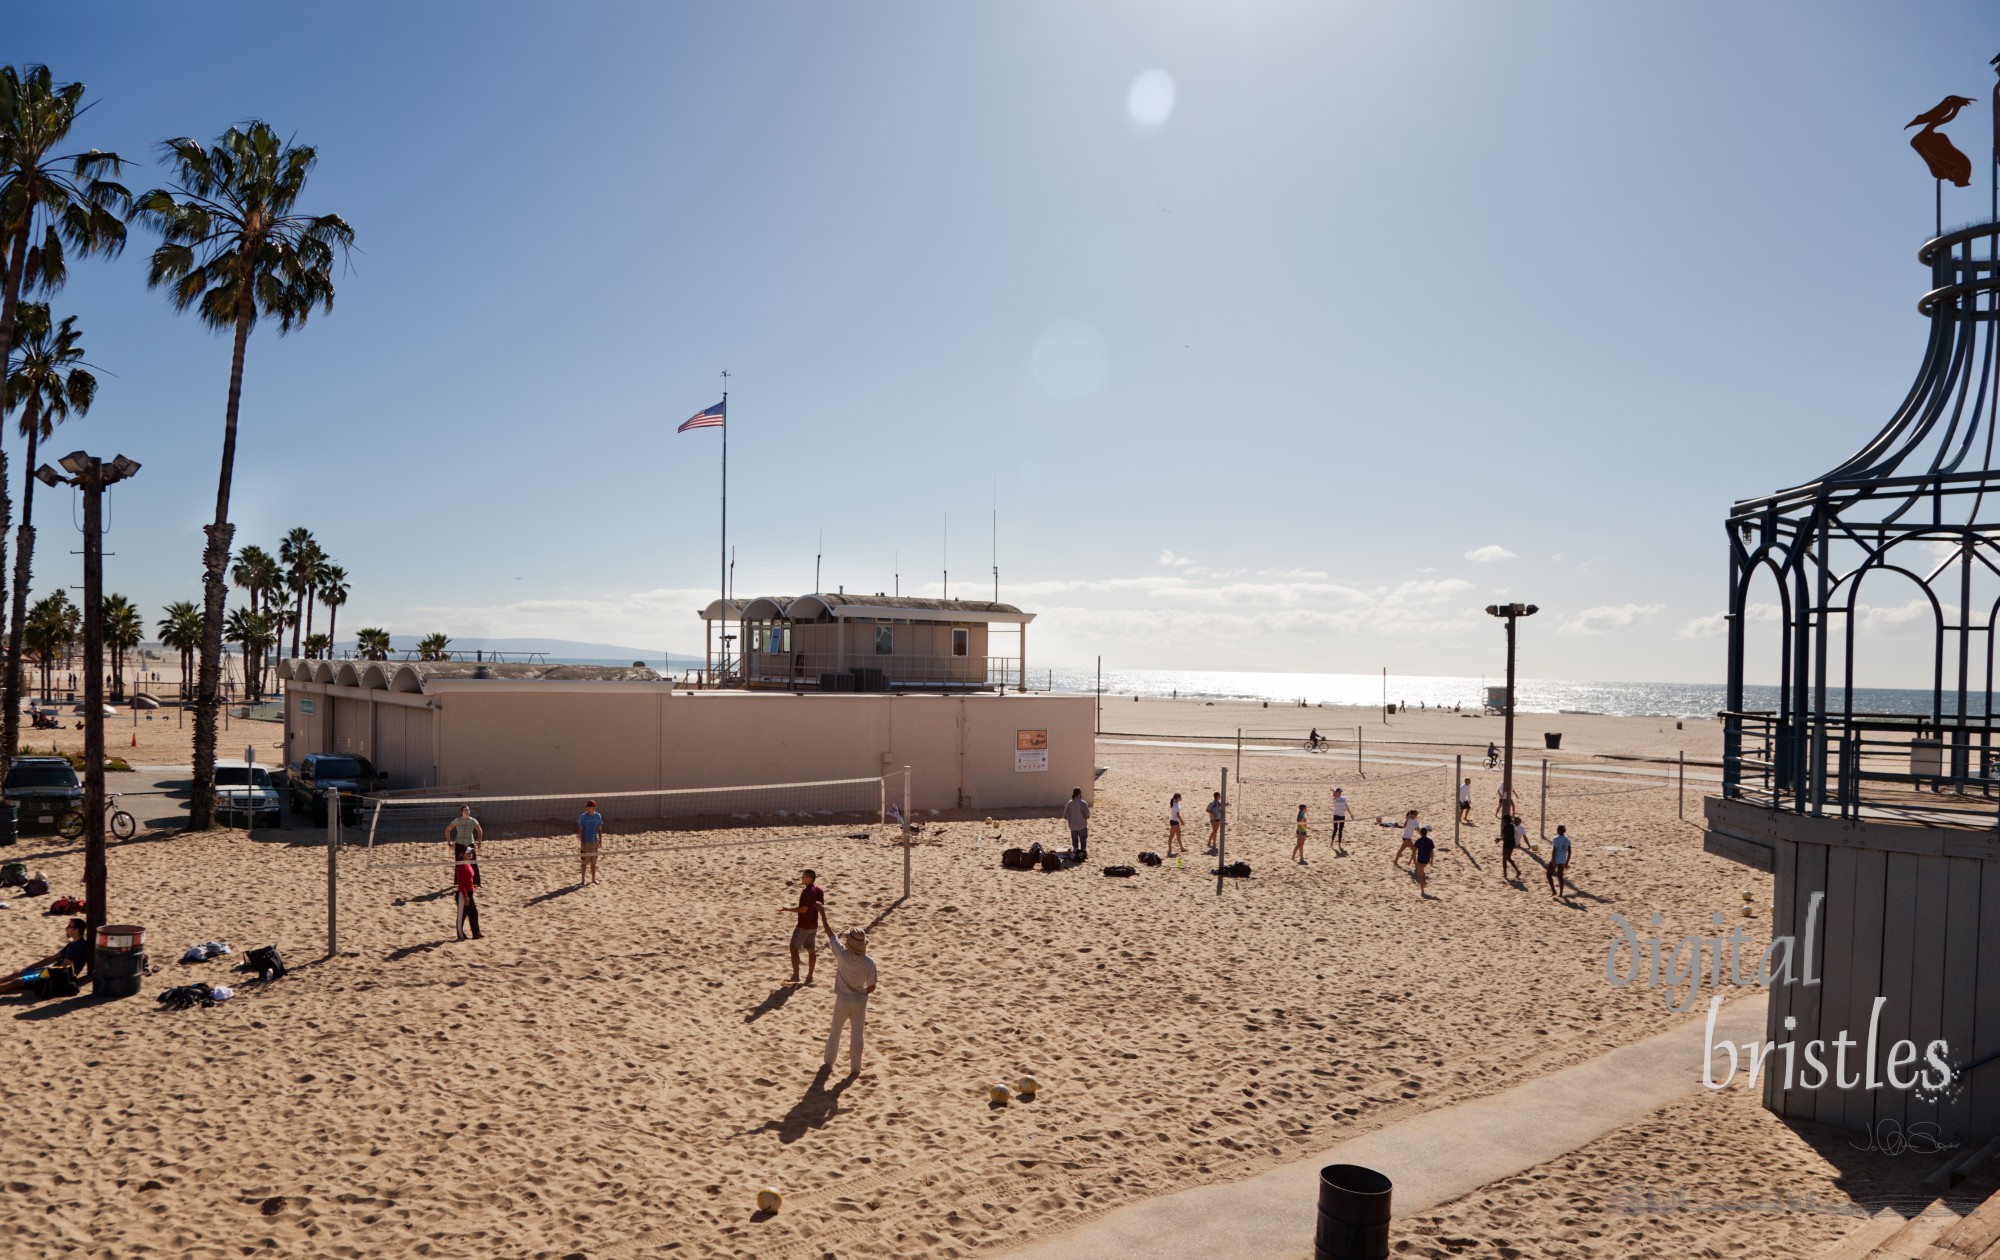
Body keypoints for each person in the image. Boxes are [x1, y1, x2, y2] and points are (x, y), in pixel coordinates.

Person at [820, 915, 877, 1076]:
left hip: (843, 1000)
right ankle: (855, 1069)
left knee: (835, 1031)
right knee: (857, 1036)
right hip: (859, 1001)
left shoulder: (842, 956)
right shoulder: (869, 962)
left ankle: (828, 1063)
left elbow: (830, 934)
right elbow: (871, 987)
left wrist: (823, 914)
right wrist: (862, 992)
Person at [0, 918, 91, 995]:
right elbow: (53, 958)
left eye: (69, 926)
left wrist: (42, 973)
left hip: (58, 978)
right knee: (18, 973)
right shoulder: (73, 943)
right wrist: (30, 967)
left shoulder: (79, 946)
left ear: (76, 930)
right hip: (53, 972)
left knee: (17, 981)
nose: (66, 928)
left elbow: (65, 965)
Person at [782, 869, 825, 984]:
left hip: (803, 926)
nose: (801, 878)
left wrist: (787, 909)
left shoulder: (807, 892)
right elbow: (820, 908)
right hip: (813, 925)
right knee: (811, 950)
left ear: (809, 879)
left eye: (803, 876)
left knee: (793, 948)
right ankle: (809, 976)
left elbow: (803, 909)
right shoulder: (819, 890)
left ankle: (796, 976)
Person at [445, 805, 483, 887]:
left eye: (468, 810)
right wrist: (449, 842)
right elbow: (447, 830)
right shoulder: (457, 821)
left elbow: (480, 831)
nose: (467, 811)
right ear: (461, 812)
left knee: (473, 862)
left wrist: (479, 842)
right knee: (459, 864)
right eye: (465, 810)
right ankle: (459, 882)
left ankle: (477, 882)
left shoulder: (472, 820)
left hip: (469, 845)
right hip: (460, 845)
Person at [452, 844, 483, 940]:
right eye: (468, 853)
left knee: (474, 913)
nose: (471, 854)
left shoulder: (468, 863)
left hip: (470, 893)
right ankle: (460, 936)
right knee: (462, 916)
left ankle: (476, 934)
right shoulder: (460, 866)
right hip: (463, 894)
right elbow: (461, 885)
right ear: (462, 854)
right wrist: (465, 897)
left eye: (471, 852)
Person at [577, 799, 604, 885]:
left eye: (590, 808)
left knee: (593, 862)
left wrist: (600, 840)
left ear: (594, 807)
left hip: (594, 841)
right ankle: (582, 880)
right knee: (584, 862)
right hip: (586, 842)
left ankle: (593, 879)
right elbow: (580, 830)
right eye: (587, 807)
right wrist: (582, 842)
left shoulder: (597, 816)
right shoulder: (583, 817)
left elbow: (599, 829)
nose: (588, 809)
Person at [1062, 787, 1090, 860]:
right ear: (1080, 793)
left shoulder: (1069, 803)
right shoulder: (1083, 803)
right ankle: (1083, 854)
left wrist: (1071, 819)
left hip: (1072, 827)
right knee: (1083, 840)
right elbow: (1087, 815)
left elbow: (1065, 815)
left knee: (1075, 843)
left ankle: (1075, 854)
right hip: (1082, 826)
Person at [1547, 824, 1573, 898]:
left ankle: (1554, 891)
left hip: (1555, 859)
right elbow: (1570, 852)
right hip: (1563, 860)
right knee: (1560, 877)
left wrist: (1554, 861)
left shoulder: (1556, 839)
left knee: (1548, 874)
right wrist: (1567, 862)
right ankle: (1561, 894)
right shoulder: (1567, 839)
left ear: (1558, 830)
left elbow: (1554, 851)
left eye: (1557, 829)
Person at [1497, 815, 1522, 882]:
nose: (1503, 820)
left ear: (1505, 820)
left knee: (1504, 858)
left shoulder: (1506, 826)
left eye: (1503, 819)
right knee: (1508, 857)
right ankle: (1517, 871)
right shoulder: (1512, 825)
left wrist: (1499, 839)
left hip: (1507, 843)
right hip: (1512, 843)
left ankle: (1505, 874)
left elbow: (1505, 836)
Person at [1413, 826, 1435, 894]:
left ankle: (1422, 890)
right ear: (1426, 833)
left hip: (1420, 859)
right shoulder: (1430, 840)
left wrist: (1411, 860)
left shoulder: (1418, 840)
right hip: (1427, 859)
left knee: (1420, 874)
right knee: (1422, 870)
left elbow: (1414, 851)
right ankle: (1424, 883)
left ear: (1421, 833)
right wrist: (1431, 860)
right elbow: (1432, 852)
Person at [1329, 787, 1349, 853]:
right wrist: (1334, 792)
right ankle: (1332, 841)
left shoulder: (1344, 799)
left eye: (1341, 792)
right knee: (1335, 829)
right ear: (1337, 792)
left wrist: (1351, 814)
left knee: (1340, 830)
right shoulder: (1335, 799)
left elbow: (1347, 806)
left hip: (1342, 816)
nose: (1340, 793)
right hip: (1336, 816)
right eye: (1339, 792)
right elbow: (1334, 797)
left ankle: (1339, 844)